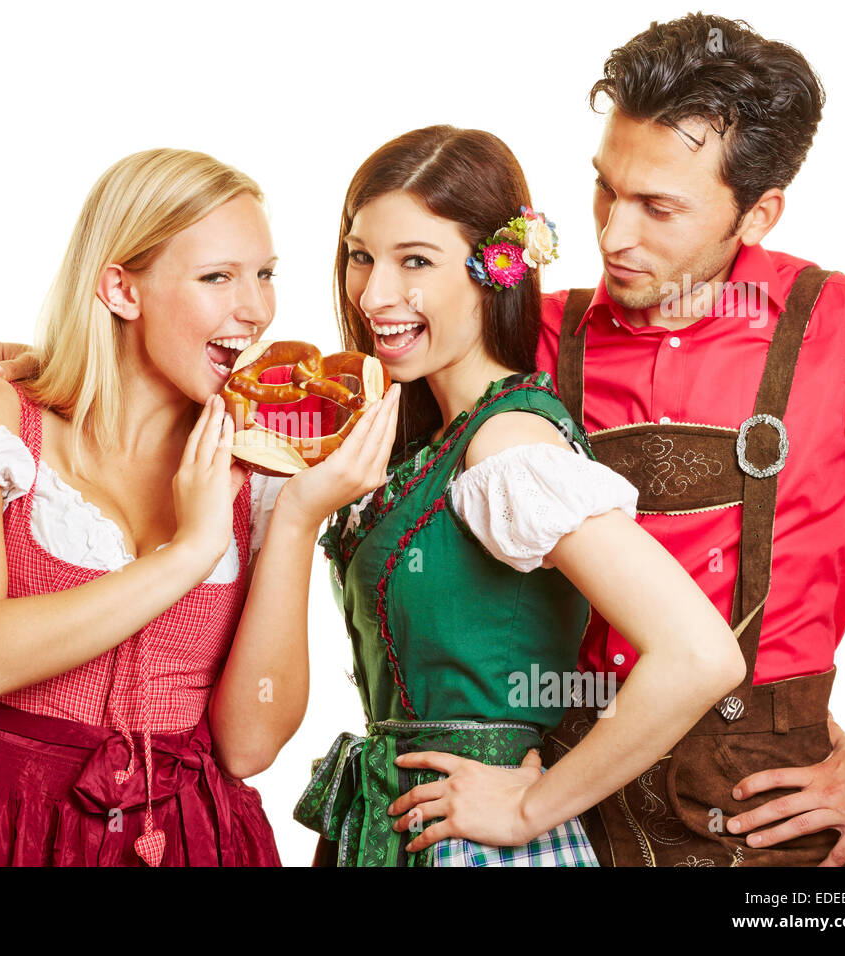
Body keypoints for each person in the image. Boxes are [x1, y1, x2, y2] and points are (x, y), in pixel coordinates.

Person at [0, 148, 402, 866]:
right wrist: (187, 553)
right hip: (9, 828)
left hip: (197, 840)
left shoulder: (262, 464)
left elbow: (249, 744)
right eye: (217, 277)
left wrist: (295, 521)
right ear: (120, 290)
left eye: (264, 275)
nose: (254, 310)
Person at [291, 125, 746, 867]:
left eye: (416, 261)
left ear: (492, 271)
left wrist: (533, 806)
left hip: (477, 846)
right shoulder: (427, 436)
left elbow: (699, 655)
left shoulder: (507, 445)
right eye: (360, 255)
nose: (374, 294)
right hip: (412, 831)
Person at [531, 12, 845, 867]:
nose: (611, 235)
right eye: (606, 187)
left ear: (759, 213)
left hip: (762, 813)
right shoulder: (540, 335)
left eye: (658, 207)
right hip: (559, 796)